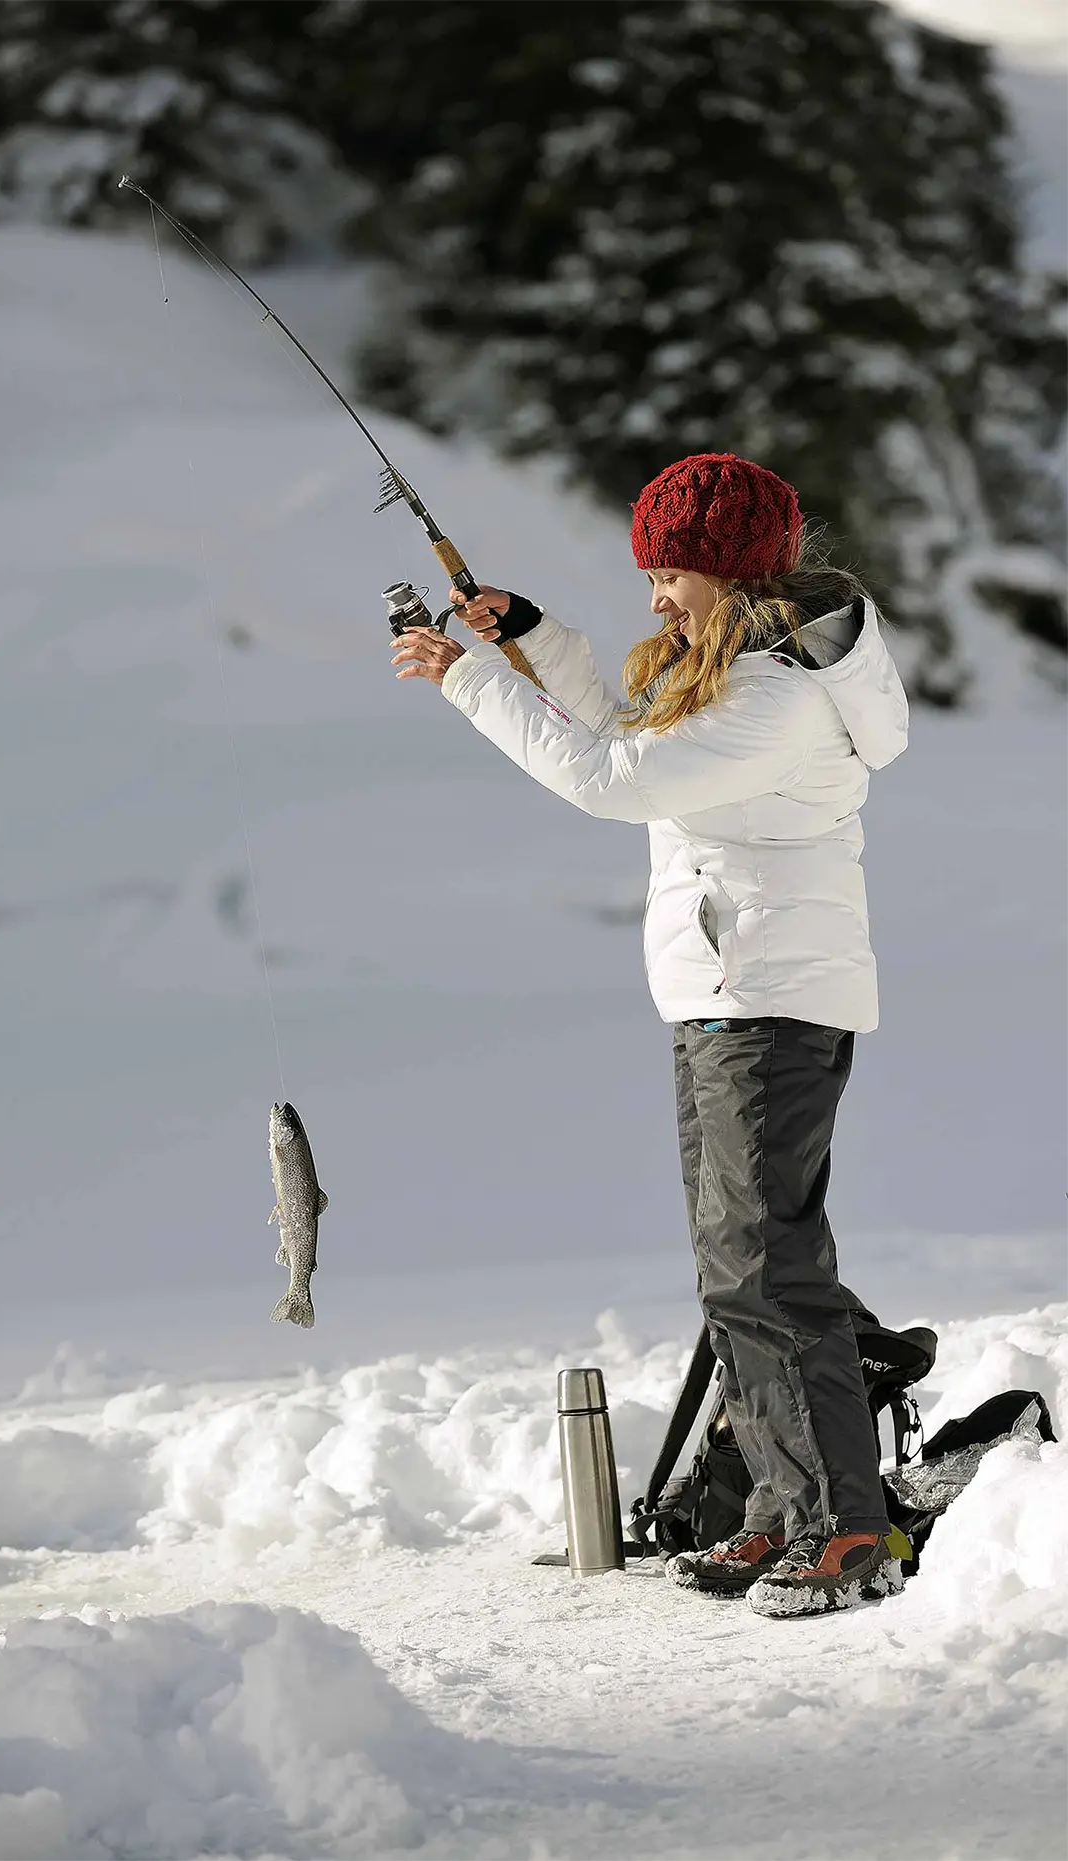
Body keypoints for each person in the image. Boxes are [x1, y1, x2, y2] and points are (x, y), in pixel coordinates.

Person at [390, 452, 910, 1619]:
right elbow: (629, 726)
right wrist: (526, 633)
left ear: (725, 572)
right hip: (726, 992)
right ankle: (777, 1509)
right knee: (735, 1268)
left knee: (770, 1265)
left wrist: (469, 679)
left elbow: (613, 778)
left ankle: (844, 1528)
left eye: (670, 573)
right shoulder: (741, 673)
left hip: (767, 999)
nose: (655, 597)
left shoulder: (778, 695)